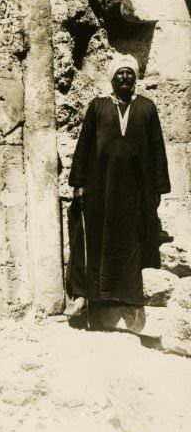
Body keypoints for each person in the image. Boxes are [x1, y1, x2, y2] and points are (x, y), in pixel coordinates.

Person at [64, 53, 170, 316]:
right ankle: (90, 295)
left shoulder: (147, 107)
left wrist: (159, 187)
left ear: (135, 78)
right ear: (112, 78)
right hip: (101, 187)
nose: (125, 77)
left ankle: (129, 297)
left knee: (133, 238)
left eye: (129, 73)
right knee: (97, 237)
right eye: (120, 73)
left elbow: (157, 147)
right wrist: (77, 182)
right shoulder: (98, 107)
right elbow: (84, 145)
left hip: (136, 189)